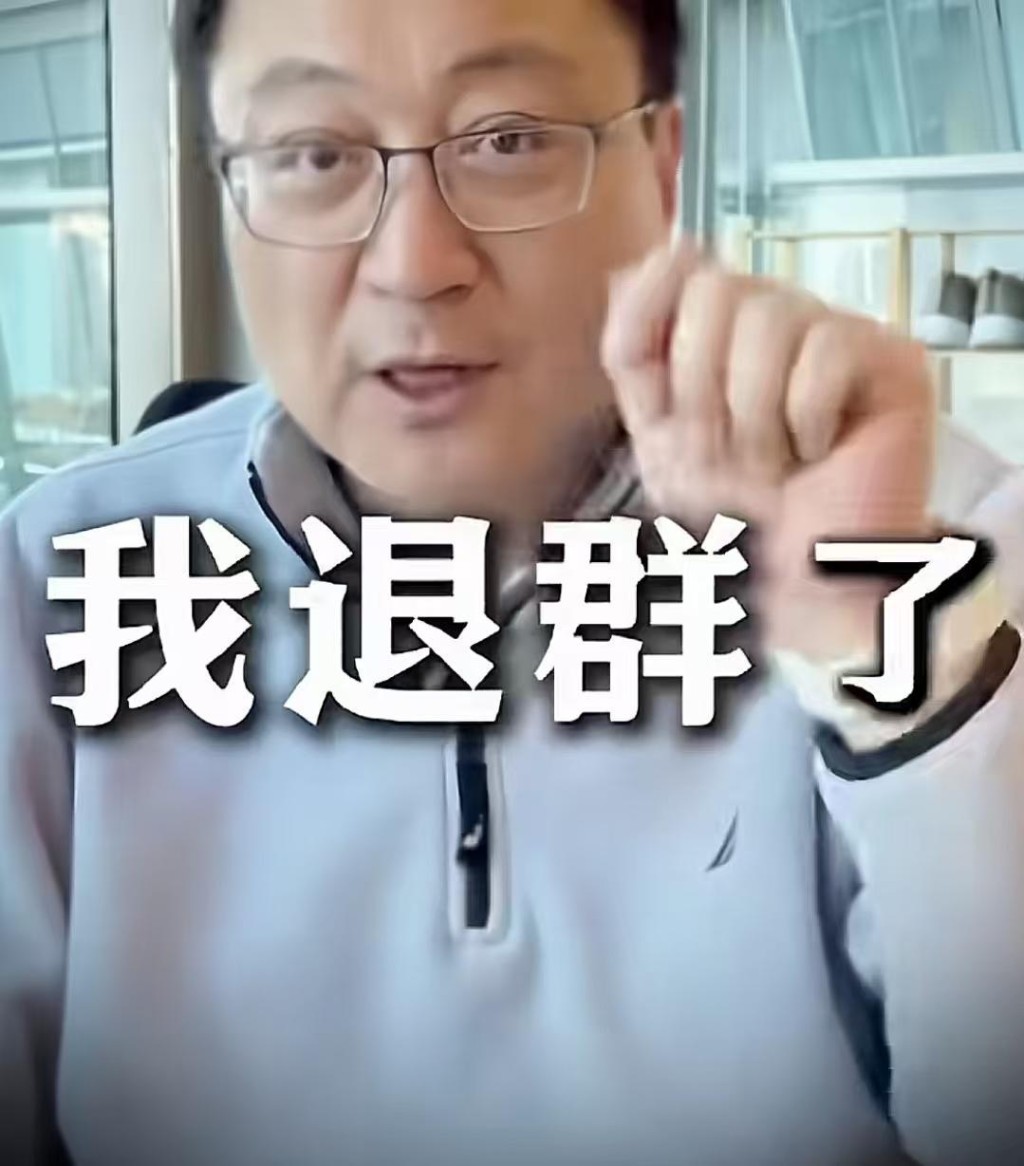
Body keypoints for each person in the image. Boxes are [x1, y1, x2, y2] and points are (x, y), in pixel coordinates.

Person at [2, 1, 1023, 1163]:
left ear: (662, 165)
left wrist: (878, 658)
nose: (415, 265)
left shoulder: (932, 535)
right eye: (314, 154)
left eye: (509, 138)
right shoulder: (54, 583)